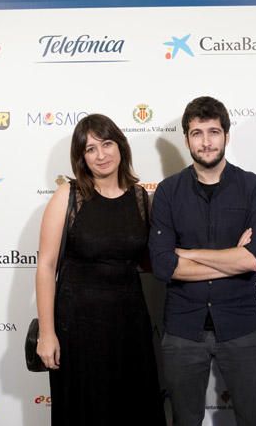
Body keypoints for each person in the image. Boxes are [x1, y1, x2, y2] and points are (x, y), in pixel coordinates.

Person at [35, 114, 165, 425]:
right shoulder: (68, 195)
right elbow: (46, 266)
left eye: (106, 144)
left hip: (129, 325)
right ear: (81, 158)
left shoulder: (141, 199)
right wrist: (47, 333)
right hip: (77, 327)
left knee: (132, 410)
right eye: (90, 149)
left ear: (121, 146)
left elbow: (153, 260)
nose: (101, 155)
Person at [149, 96, 256, 426]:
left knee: (254, 419)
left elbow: (253, 259)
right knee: (184, 421)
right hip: (182, 328)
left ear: (227, 136)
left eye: (214, 132)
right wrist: (231, 255)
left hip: (241, 325)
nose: (206, 142)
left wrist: (188, 253)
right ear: (186, 138)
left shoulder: (254, 188)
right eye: (197, 133)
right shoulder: (167, 192)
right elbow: (162, 266)